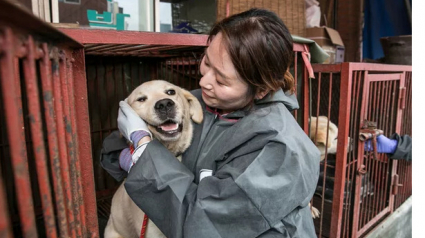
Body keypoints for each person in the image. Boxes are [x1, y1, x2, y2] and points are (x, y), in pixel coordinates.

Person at [101, 8, 320, 238]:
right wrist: (125, 153)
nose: (204, 81)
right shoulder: (198, 101)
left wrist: (143, 152)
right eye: (206, 61)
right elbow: (113, 153)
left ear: (261, 90)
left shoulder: (279, 149)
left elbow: (203, 223)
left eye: (221, 80)